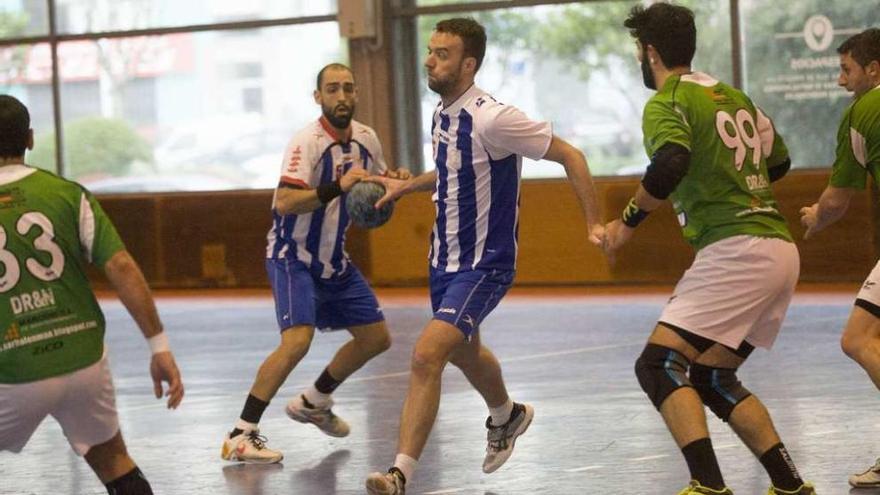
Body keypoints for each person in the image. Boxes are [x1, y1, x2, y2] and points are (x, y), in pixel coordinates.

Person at [364, 17, 604, 495]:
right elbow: (452, 173)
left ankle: (399, 475)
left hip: (484, 264)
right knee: (466, 354)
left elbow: (571, 156)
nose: (430, 61)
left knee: (426, 354)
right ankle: (507, 415)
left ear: (468, 63)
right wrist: (406, 185)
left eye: (442, 54)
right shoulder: (441, 113)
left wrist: (594, 222)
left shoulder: (494, 118)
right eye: (429, 51)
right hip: (443, 261)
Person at [600, 4, 816, 495]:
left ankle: (708, 485)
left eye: (638, 49)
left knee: (657, 366)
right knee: (713, 376)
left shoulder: (666, 101)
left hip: (737, 249)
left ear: (649, 52)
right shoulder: (731, 94)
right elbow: (777, 161)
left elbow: (671, 160)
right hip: (778, 249)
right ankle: (789, 485)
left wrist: (626, 224)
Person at [221, 63, 408, 463]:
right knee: (297, 341)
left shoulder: (367, 139)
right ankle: (241, 433)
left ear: (356, 95)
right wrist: (334, 187)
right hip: (293, 256)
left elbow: (372, 186)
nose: (342, 96)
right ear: (318, 97)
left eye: (348, 88)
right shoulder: (306, 142)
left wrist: (395, 184)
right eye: (332, 89)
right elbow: (285, 202)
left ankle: (314, 401)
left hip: (334, 260)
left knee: (376, 339)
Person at [0, 94, 184, 495]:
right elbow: (121, 267)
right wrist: (160, 347)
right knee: (116, 462)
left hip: (12, 367)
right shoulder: (68, 193)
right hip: (82, 358)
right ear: (30, 139)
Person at [798, 28, 880, 489]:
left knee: (858, 339)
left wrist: (816, 215)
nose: (839, 81)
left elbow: (838, 199)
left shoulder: (863, 111)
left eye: (847, 70)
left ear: (874, 69)